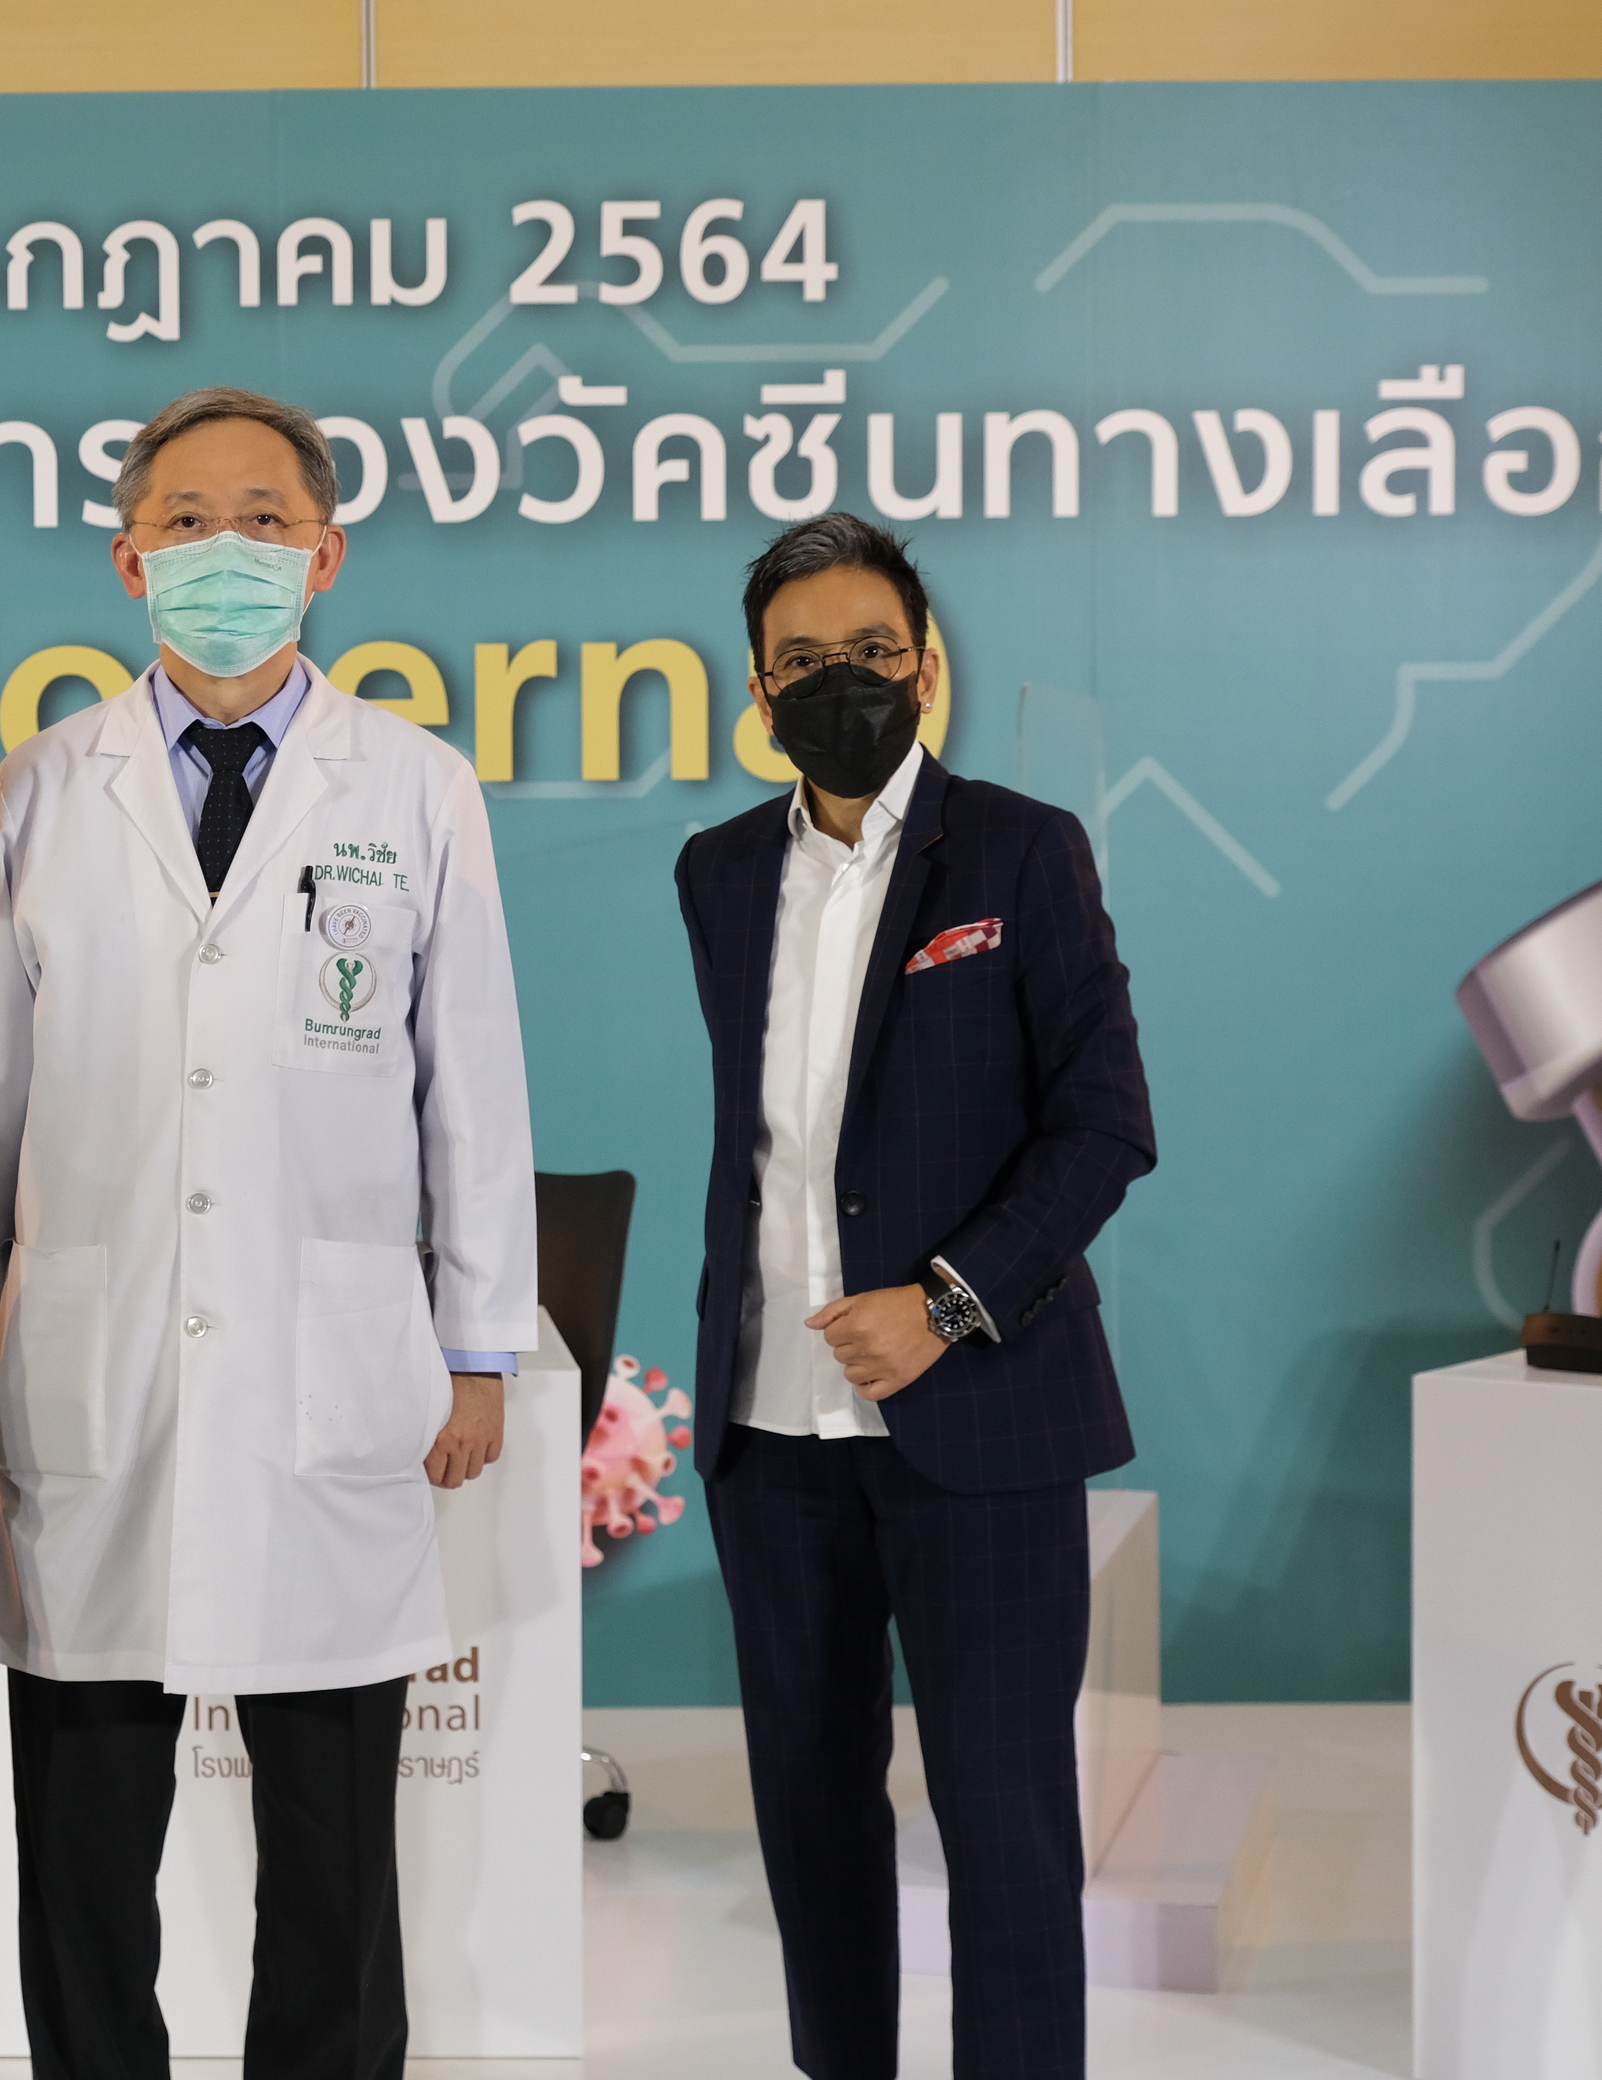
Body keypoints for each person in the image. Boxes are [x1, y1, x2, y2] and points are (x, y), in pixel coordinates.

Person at [0, 386, 536, 2080]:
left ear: (326, 556)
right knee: (82, 1852)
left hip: (330, 1376)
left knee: (337, 1859)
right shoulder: (48, 784)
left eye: (264, 521)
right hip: (94, 1363)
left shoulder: (413, 784)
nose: (226, 552)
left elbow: (472, 1081)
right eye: (186, 521)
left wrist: (477, 1345)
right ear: (128, 558)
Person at [674, 513, 1155, 2080]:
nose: (845, 683)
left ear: (926, 669)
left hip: (981, 1419)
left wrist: (944, 1301)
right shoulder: (718, 871)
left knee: (1006, 1824)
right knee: (811, 1818)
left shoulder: (1020, 850)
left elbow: (1103, 1125)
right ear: (760, 690)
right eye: (805, 660)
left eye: (873, 652)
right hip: (772, 1432)